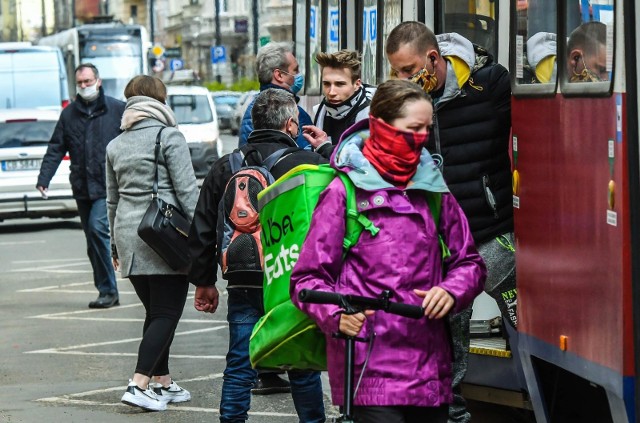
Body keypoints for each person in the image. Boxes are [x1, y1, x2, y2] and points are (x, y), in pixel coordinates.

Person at [291, 79, 486, 423]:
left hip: (429, 372)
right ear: (381, 127)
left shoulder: (434, 191)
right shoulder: (343, 192)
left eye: (427, 128)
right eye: (414, 128)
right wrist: (337, 317)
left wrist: (452, 290)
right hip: (369, 369)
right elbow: (306, 280)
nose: (422, 138)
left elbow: (469, 262)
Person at [386, 22, 513, 423]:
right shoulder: (403, 109)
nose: (403, 80)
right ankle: (453, 417)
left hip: (496, 236)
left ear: (433, 59)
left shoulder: (488, 86)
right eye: (397, 73)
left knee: (529, 322)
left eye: (408, 71)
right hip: (445, 251)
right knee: (447, 337)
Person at [188, 88, 327, 423]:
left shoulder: (227, 166)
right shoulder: (308, 164)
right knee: (301, 363)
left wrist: (204, 282)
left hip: (243, 277)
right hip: (290, 278)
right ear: (292, 125)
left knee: (239, 363)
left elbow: (203, 226)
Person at [106, 75, 199, 412]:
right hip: (165, 234)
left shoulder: (115, 145)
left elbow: (111, 202)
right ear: (160, 101)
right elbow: (188, 191)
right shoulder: (168, 136)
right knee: (166, 312)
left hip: (129, 235)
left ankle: (162, 382)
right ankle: (139, 382)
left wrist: (115, 247)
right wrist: (205, 233)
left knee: (156, 313)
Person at [37, 63, 125, 309]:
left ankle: (109, 289)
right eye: (80, 83)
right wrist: (44, 179)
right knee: (92, 242)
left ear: (98, 81)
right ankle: (106, 291)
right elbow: (56, 147)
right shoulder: (69, 114)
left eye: (88, 81)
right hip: (82, 187)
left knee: (98, 229)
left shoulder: (117, 109)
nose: (84, 86)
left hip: (108, 185)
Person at [238, 42, 312, 149]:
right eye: (295, 70)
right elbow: (307, 156)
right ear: (279, 75)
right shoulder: (290, 111)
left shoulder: (256, 107)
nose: (299, 75)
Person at [309, 50, 375, 154]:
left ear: (357, 84)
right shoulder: (319, 111)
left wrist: (324, 147)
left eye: (339, 84)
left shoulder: (372, 114)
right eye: (326, 84)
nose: (331, 92)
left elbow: (362, 162)